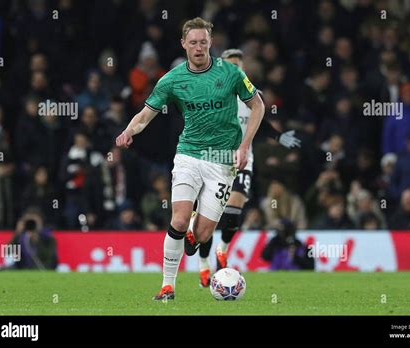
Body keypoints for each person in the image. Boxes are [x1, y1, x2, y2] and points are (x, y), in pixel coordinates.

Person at [115, 18, 265, 301]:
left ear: (211, 43)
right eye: (193, 42)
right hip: (189, 155)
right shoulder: (172, 79)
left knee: (204, 233)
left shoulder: (231, 73)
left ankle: (196, 237)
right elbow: (146, 114)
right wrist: (128, 131)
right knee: (180, 219)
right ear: (184, 44)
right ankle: (167, 286)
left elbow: (257, 104)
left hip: (223, 161)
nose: (198, 48)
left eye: (203, 42)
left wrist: (245, 145)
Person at [196, 49, 301, 287]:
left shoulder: (253, 95)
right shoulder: (212, 95)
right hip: (215, 161)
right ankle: (203, 263)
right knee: (209, 218)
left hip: (243, 161)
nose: (236, 69)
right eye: (231, 65)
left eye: (239, 66)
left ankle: (222, 251)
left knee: (234, 212)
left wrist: (279, 137)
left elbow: (260, 122)